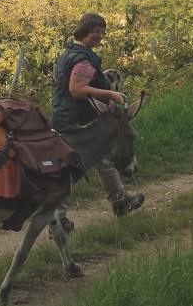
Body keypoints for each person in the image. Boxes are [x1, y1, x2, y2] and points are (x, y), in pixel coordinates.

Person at [52, 13, 145, 218]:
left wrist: (102, 78)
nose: (99, 36)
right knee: (71, 167)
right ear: (84, 29)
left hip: (65, 117)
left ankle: (119, 201)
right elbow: (77, 89)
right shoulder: (83, 59)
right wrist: (111, 93)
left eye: (102, 33)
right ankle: (58, 215)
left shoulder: (70, 53)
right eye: (95, 32)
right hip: (79, 122)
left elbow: (76, 83)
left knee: (100, 160)